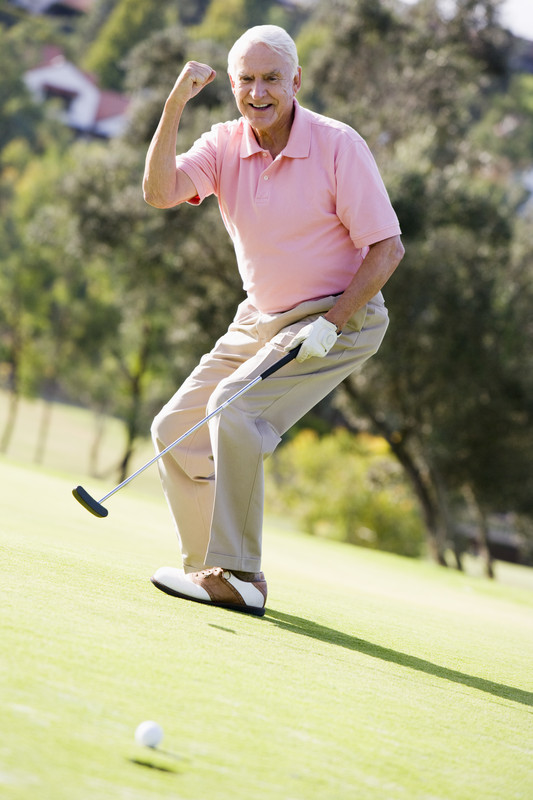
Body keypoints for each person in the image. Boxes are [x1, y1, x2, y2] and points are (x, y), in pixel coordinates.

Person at [143, 25, 404, 616]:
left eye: (271, 80)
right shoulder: (223, 143)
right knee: (175, 430)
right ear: (232, 84)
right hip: (260, 316)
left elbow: (387, 249)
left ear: (296, 82)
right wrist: (173, 106)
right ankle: (207, 570)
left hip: (341, 315)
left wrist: (332, 323)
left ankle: (241, 574)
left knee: (235, 408)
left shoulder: (338, 145)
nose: (258, 92)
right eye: (247, 80)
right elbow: (160, 193)